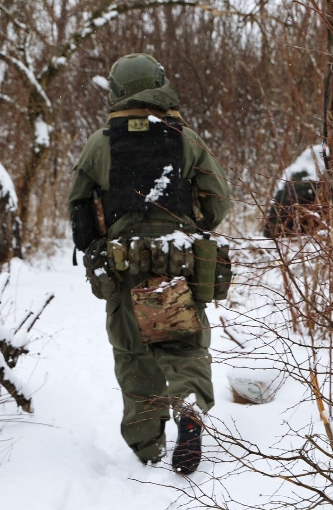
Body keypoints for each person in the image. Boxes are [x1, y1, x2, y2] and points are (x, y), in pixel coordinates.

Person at [68, 53, 229, 475]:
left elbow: (79, 205)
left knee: (133, 351)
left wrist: (95, 244)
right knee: (183, 344)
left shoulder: (100, 142)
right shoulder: (184, 138)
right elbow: (218, 201)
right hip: (177, 258)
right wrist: (194, 223)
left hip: (123, 263)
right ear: (159, 85)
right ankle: (189, 408)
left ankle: (147, 447)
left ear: (119, 92)